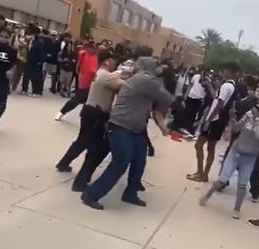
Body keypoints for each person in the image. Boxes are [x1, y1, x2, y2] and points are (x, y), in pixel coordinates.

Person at [82, 57, 174, 210]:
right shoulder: (145, 79)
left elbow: (158, 106)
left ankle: (130, 194)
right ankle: (91, 195)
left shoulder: (146, 81)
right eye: (157, 66)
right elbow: (167, 98)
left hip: (135, 129)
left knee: (139, 161)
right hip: (120, 127)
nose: (159, 69)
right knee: (120, 162)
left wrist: (163, 127)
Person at [200, 98, 259, 219]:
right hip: (236, 151)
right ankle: (207, 195)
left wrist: (256, 119)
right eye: (256, 105)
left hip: (250, 156)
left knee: (242, 184)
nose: (256, 108)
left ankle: (237, 209)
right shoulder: (249, 114)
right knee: (222, 179)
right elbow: (236, 128)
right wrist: (232, 119)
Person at [62, 51, 124, 191]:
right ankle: (80, 183)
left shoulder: (102, 73)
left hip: (89, 111)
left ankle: (63, 163)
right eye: (113, 60)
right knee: (94, 150)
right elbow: (126, 85)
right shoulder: (106, 76)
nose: (116, 63)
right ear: (107, 61)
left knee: (81, 141)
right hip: (96, 114)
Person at [186, 62, 240, 183]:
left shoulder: (226, 86)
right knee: (211, 147)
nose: (223, 72)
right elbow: (217, 97)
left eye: (226, 70)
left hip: (215, 120)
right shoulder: (232, 86)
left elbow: (219, 104)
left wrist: (208, 120)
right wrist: (210, 85)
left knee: (199, 145)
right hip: (220, 121)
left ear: (231, 72)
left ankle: (201, 173)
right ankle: (203, 173)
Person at [55, 42, 98, 121]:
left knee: (90, 103)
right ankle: (62, 112)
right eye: (91, 47)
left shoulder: (95, 57)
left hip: (93, 83)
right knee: (76, 100)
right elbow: (78, 66)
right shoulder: (83, 54)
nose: (93, 49)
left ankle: (86, 118)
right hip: (84, 81)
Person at [21, 25, 45, 97]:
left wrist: (39, 61)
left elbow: (41, 53)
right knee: (26, 75)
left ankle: (36, 91)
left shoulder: (39, 42)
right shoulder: (30, 41)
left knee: (35, 77)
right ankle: (24, 89)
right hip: (29, 60)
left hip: (36, 62)